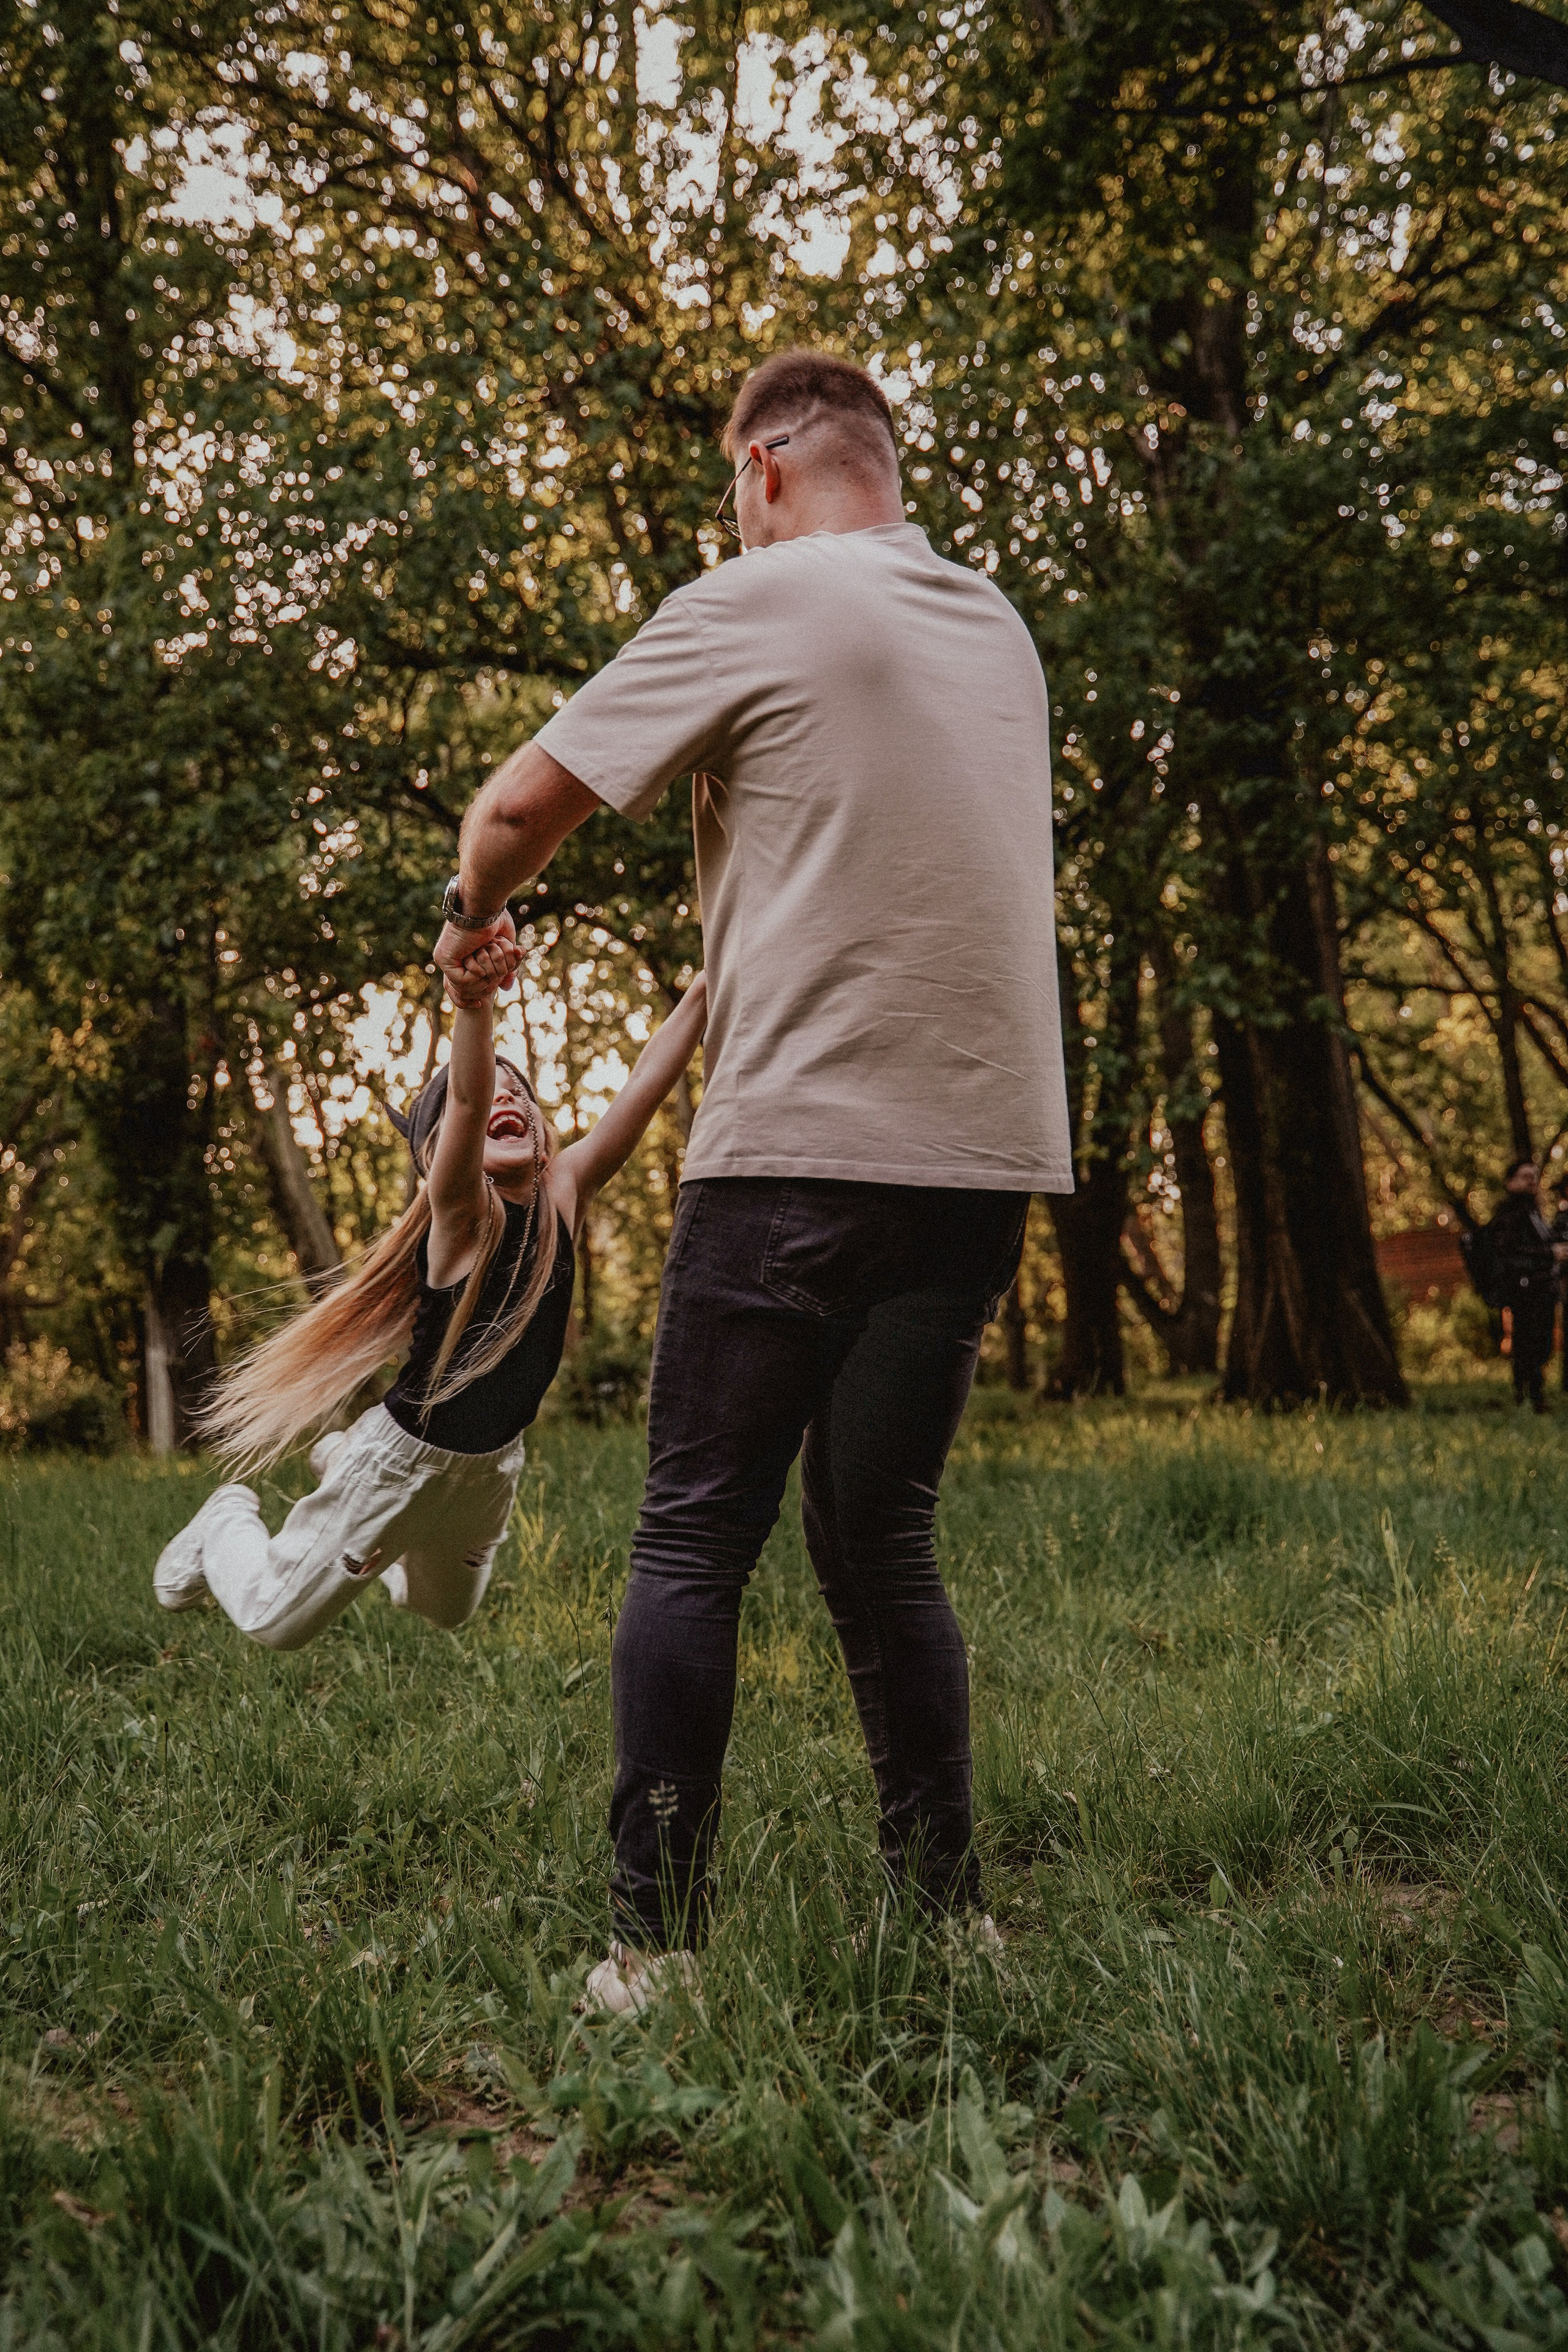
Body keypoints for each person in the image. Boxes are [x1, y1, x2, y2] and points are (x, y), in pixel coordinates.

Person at [435, 347, 1072, 2012]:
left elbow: (516, 810)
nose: (736, 513)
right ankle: (949, 1918)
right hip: (983, 1161)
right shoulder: (995, 623)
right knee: (886, 1544)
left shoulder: (765, 592)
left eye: (734, 488)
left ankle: (656, 1950)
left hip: (798, 1149)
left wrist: (467, 912)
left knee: (692, 1544)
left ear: (772, 467)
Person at [153, 943, 707, 1645]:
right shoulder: (462, 1218)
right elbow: (471, 1095)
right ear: (435, 1156)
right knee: (272, 1622)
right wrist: (475, 1001)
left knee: (445, 1609)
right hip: (400, 1463)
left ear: (541, 1132)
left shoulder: (564, 1194)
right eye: (478, 1100)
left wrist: (714, 979)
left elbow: (647, 1082)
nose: (507, 1095)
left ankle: (341, 1474)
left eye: (523, 1091)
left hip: (490, 1468)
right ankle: (227, 1519)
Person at [1489, 1157, 1564, 1414]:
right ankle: (1528, 1396)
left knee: (1541, 1341)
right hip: (1524, 1290)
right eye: (1524, 1177)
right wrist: (1550, 1254)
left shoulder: (1534, 1213)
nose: (1531, 1181)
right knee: (1527, 1342)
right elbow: (1509, 1252)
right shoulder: (1509, 1214)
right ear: (1510, 1183)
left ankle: (1534, 1394)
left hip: (1542, 1289)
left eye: (1534, 1176)